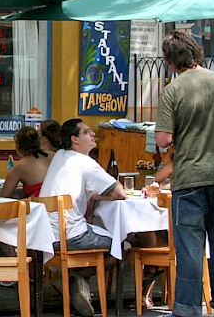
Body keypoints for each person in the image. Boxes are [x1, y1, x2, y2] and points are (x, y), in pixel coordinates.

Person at [155, 29, 214, 317]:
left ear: (171, 61)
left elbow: (163, 139)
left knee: (191, 251)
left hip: (189, 180)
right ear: (196, 52)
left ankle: (188, 309)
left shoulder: (173, 90)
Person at [39, 118, 126, 317]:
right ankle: (75, 277)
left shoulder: (60, 156)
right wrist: (103, 194)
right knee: (121, 245)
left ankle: (76, 282)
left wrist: (96, 194)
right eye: (87, 132)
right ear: (74, 140)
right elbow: (120, 193)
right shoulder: (86, 162)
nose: (93, 134)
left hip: (46, 235)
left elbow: (87, 190)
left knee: (99, 233)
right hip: (70, 235)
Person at [1, 126, 52, 198]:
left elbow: (4, 195)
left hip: (39, 207)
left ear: (18, 147)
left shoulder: (20, 167)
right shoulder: (53, 155)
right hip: (61, 203)